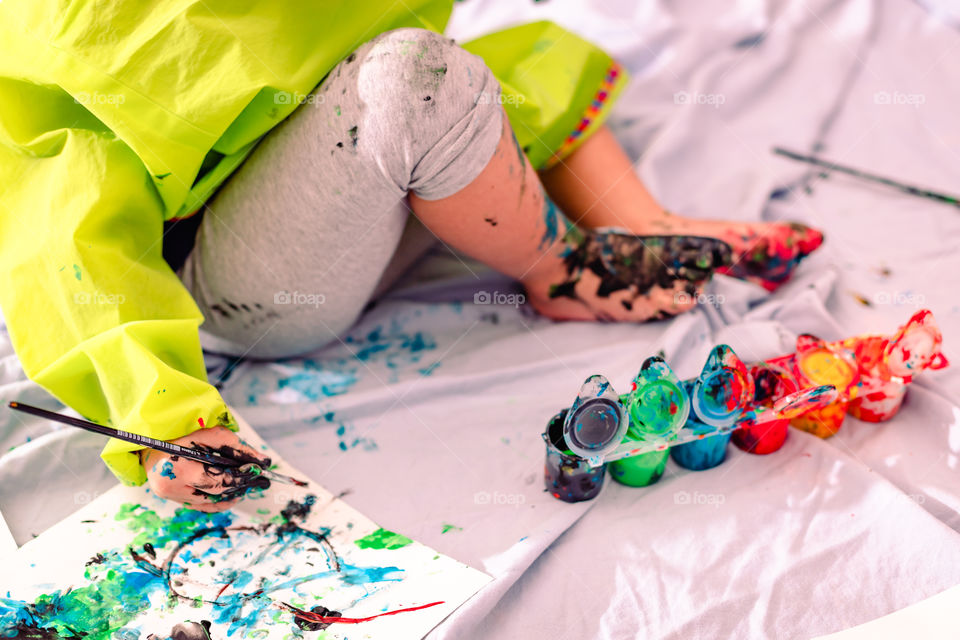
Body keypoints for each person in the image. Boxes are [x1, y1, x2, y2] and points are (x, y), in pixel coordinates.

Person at [0, 1, 822, 512]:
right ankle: (564, 269)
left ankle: (636, 225)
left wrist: (639, 215)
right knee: (422, 78)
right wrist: (165, 422)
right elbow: (64, 241)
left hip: (331, 153)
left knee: (506, 57)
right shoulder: (93, 29)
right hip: (240, 285)